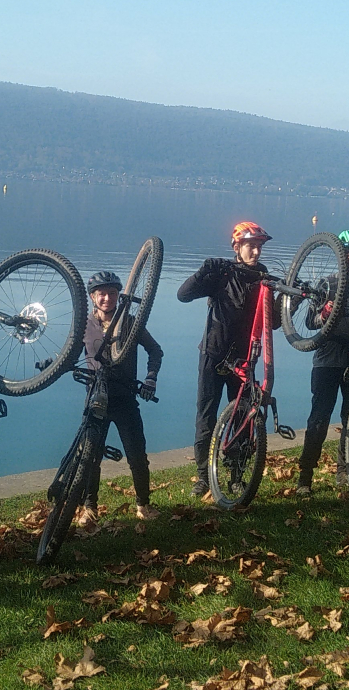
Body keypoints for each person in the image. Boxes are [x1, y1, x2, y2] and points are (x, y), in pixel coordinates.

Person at [177, 220, 271, 499]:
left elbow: (273, 323)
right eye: (250, 247)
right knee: (206, 417)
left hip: (244, 359)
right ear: (237, 247)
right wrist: (203, 272)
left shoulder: (264, 277)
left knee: (243, 417)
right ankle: (204, 478)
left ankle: (235, 478)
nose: (255, 253)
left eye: (259, 248)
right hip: (213, 354)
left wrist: (290, 302)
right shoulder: (221, 273)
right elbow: (183, 295)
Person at [76, 271, 164, 524]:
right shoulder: (83, 324)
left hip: (126, 398)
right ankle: (89, 508)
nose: (107, 298)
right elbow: (71, 355)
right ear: (93, 297)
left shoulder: (131, 323)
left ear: (118, 296)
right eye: (101, 294)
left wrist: (151, 378)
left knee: (137, 455)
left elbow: (155, 350)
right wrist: (54, 364)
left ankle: (143, 506)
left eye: (112, 293)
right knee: (90, 456)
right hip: (96, 398)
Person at [296, 230, 349, 497]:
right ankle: (305, 476)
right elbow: (308, 323)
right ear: (340, 254)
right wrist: (323, 315)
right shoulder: (326, 283)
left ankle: (345, 471)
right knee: (319, 419)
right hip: (326, 360)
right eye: (348, 253)